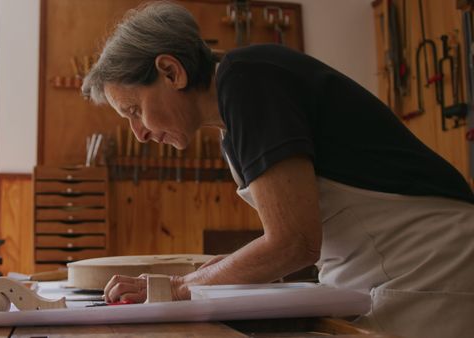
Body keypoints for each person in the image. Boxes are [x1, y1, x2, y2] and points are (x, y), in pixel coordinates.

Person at [81, 2, 474, 337]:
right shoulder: (232, 117)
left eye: (135, 111)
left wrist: (180, 287)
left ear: (171, 72)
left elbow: (293, 242)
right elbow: (286, 237)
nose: (140, 134)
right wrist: (192, 277)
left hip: (431, 268)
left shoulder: (245, 81)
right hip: (381, 275)